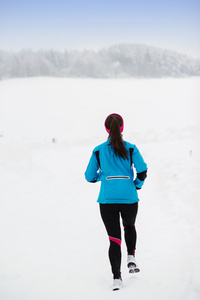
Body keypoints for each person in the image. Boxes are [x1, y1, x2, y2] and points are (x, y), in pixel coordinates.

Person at [85, 113, 147, 291]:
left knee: (114, 239)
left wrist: (101, 177)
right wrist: (136, 185)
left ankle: (117, 279)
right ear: (122, 128)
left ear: (106, 128)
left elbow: (89, 177)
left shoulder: (98, 150)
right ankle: (131, 256)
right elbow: (142, 171)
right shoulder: (131, 148)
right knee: (130, 226)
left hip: (107, 201)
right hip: (129, 199)